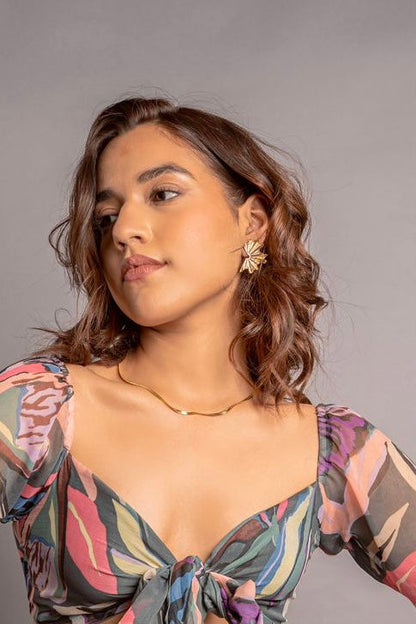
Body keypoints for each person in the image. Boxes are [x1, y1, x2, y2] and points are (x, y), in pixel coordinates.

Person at [0, 96, 415, 624]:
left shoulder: (335, 451)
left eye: (162, 194)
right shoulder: (37, 410)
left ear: (252, 222)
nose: (124, 229)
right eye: (106, 217)